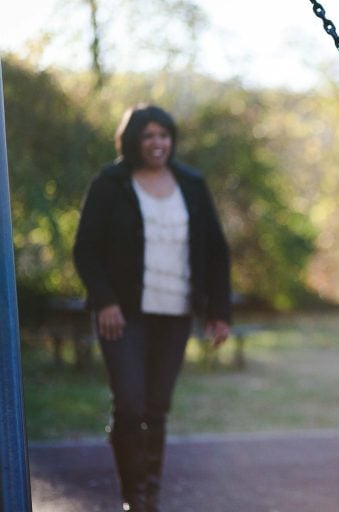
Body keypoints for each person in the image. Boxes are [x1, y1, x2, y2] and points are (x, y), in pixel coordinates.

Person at [74, 104, 231, 511]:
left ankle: (149, 496)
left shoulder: (191, 183)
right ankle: (132, 497)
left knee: (157, 409)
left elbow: (216, 251)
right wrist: (105, 301)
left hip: (176, 312)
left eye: (163, 135)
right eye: (148, 136)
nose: (157, 143)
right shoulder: (111, 184)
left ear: (172, 140)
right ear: (132, 140)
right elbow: (86, 249)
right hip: (123, 315)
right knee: (129, 404)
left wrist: (218, 312)